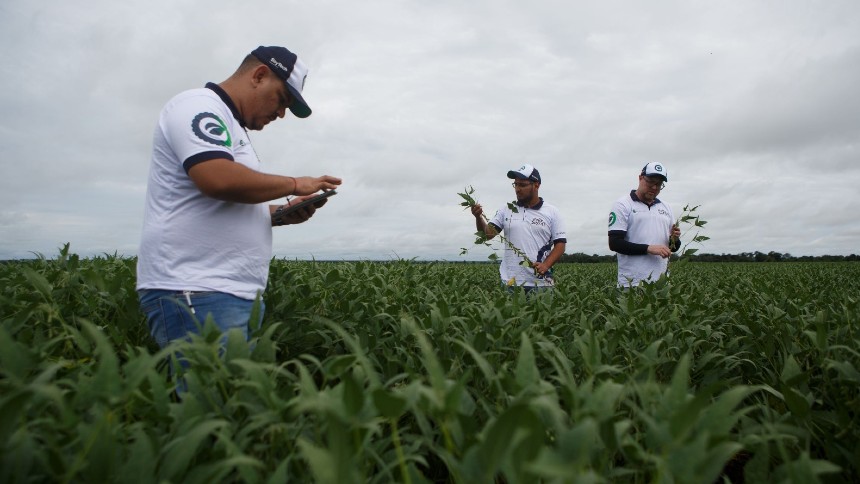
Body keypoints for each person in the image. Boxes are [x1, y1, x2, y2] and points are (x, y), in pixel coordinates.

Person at [137, 45, 342, 350]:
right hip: (197, 287)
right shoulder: (199, 106)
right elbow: (218, 179)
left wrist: (278, 213)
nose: (281, 114)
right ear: (259, 75)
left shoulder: (231, 126)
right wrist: (295, 184)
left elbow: (224, 201)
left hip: (227, 292)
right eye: (282, 100)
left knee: (231, 395)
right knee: (210, 396)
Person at [469, 164, 567, 293]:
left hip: (541, 284)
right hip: (511, 283)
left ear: (536, 185)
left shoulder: (552, 212)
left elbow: (560, 245)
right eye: (515, 184)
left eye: (522, 185)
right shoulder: (506, 210)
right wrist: (478, 217)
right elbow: (487, 235)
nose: (517, 189)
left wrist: (545, 265)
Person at [607, 162, 681, 288]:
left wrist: (674, 239)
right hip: (632, 284)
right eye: (650, 181)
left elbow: (673, 248)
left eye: (659, 184)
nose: (654, 187)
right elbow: (615, 243)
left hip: (662, 283)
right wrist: (648, 248)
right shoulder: (622, 205)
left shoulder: (666, 207)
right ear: (640, 178)